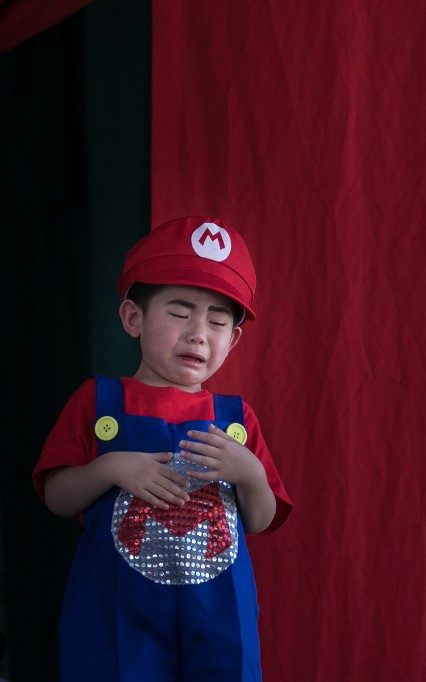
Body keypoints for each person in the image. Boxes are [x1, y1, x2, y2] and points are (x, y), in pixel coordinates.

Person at [33, 216, 292, 681]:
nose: (198, 332)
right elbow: (57, 497)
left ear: (231, 341)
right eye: (179, 311)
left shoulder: (237, 418)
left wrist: (250, 472)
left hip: (218, 620)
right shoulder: (98, 402)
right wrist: (108, 468)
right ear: (134, 317)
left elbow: (262, 518)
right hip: (116, 613)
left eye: (217, 321)